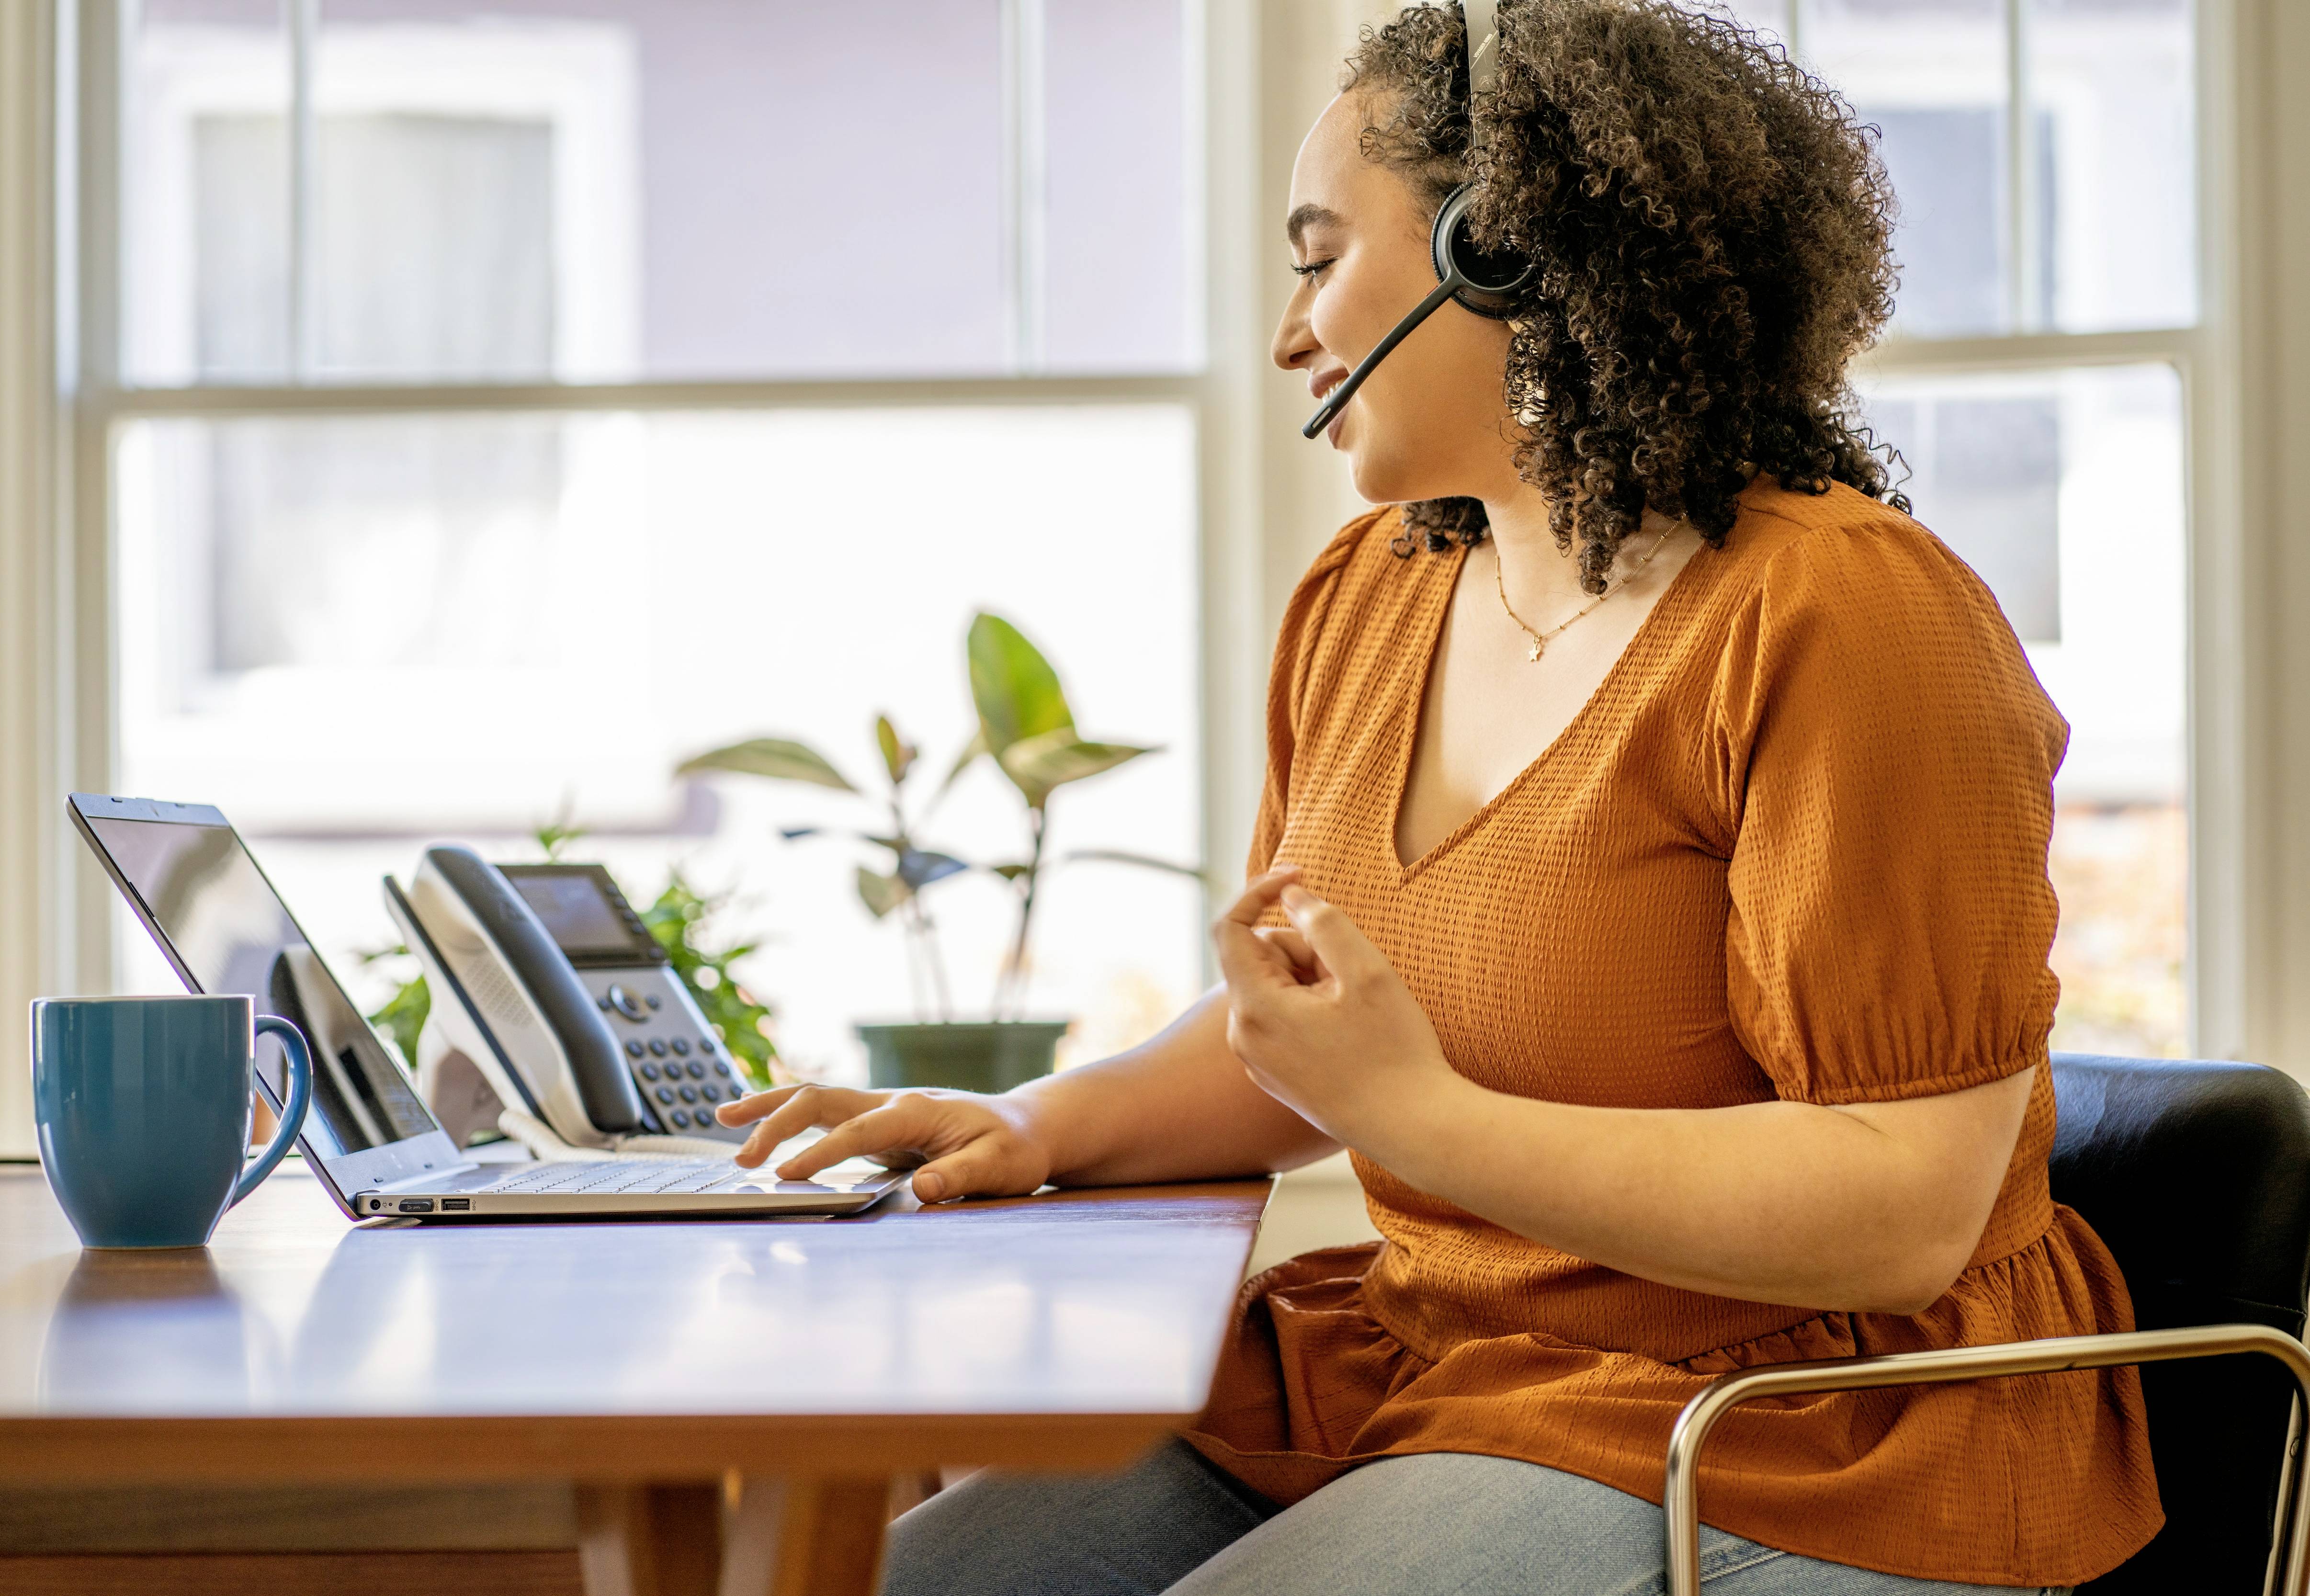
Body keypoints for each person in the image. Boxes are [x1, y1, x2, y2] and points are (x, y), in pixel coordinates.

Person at [714, 2, 2157, 1591]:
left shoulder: (1848, 620)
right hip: (1438, 1373)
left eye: (1320, 258)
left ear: (1507, 252)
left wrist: (1423, 1120)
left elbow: (1903, 1212)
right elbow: (1307, 1048)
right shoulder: (1372, 591)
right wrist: (1036, 1123)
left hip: (1798, 1425)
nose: (1288, 336)